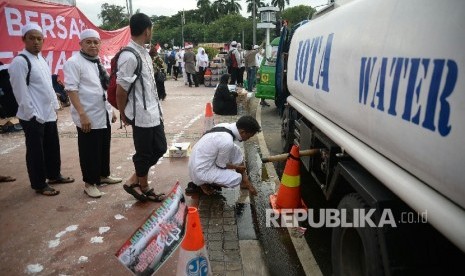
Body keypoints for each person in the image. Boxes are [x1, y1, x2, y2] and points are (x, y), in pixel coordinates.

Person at [8, 23, 74, 196]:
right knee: (36, 151)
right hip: (33, 115)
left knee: (52, 146)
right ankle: (38, 184)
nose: (36, 42)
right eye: (32, 38)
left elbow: (47, 85)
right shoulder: (19, 62)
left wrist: (55, 106)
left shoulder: (41, 60)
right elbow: (20, 91)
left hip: (48, 113)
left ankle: (53, 175)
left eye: (39, 39)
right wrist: (32, 114)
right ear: (24, 40)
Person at [63, 29, 122, 198]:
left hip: (101, 113)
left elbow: (101, 88)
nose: (93, 45)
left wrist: (110, 110)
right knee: (89, 150)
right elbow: (71, 90)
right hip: (87, 114)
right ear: (80, 44)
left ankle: (103, 175)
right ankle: (90, 183)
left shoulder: (96, 61)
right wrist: (82, 114)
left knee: (103, 146)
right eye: (88, 42)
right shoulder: (74, 63)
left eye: (96, 42)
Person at [115, 13, 167, 202]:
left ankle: (132, 181)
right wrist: (123, 114)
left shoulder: (143, 52)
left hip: (154, 112)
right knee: (144, 153)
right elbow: (120, 92)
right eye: (151, 29)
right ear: (147, 30)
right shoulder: (129, 56)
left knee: (160, 148)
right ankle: (143, 186)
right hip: (141, 115)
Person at [187, 115, 261, 195]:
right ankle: (204, 184)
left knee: (236, 150)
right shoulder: (226, 141)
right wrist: (236, 167)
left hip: (196, 162)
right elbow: (221, 165)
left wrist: (245, 178)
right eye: (249, 136)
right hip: (200, 171)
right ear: (243, 132)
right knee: (236, 179)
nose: (248, 139)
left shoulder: (224, 126)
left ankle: (244, 181)